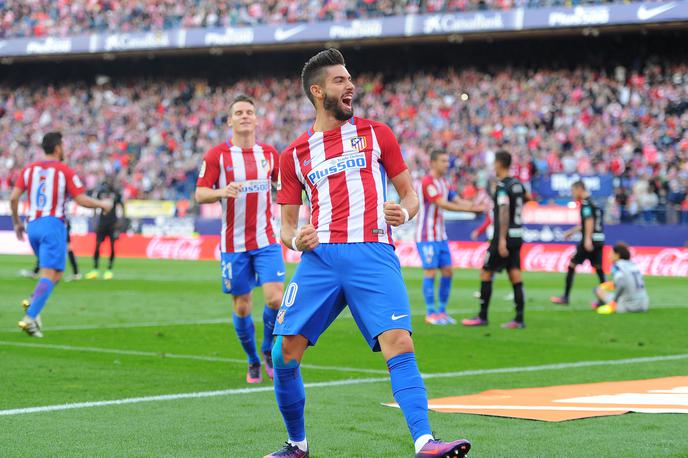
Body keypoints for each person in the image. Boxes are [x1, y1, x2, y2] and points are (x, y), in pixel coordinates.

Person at [266, 49, 471, 458]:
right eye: (341, 81)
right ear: (317, 90)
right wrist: (295, 241)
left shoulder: (378, 133)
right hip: (320, 260)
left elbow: (411, 196)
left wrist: (405, 211)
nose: (351, 86)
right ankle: (297, 444)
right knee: (283, 351)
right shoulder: (294, 155)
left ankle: (426, 442)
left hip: (374, 254)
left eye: (350, 79)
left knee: (400, 343)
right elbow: (286, 226)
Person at [195, 95, 285, 384]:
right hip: (234, 244)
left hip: (267, 239)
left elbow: (284, 190)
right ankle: (252, 360)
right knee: (243, 306)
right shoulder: (216, 156)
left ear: (257, 120)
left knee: (276, 298)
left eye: (249, 112)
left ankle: (269, 350)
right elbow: (200, 193)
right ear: (230, 120)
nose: (245, 116)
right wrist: (222, 192)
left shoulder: (270, 154)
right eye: (239, 113)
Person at [10, 132, 112, 337]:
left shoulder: (29, 170)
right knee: (51, 274)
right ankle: (30, 317)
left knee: (54, 273)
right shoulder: (64, 171)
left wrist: (17, 223)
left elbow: (13, 198)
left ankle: (34, 303)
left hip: (33, 226)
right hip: (52, 224)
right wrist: (102, 204)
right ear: (57, 147)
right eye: (63, 145)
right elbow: (81, 199)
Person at [416, 150, 484, 325]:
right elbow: (442, 204)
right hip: (426, 236)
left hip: (440, 236)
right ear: (433, 163)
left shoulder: (444, 182)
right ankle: (430, 312)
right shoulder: (427, 182)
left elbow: (455, 199)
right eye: (443, 161)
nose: (447, 164)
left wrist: (474, 205)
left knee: (448, 271)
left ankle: (442, 311)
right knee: (430, 271)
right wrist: (470, 210)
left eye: (447, 161)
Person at [462, 151, 526, 329]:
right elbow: (525, 200)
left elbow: (504, 211)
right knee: (514, 274)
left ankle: (482, 316)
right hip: (517, 234)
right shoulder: (518, 185)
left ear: (499, 164)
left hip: (502, 237)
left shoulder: (502, 186)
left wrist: (502, 239)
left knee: (486, 272)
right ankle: (519, 319)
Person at [551, 180, 606, 305]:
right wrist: (571, 232)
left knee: (572, 265)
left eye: (573, 191)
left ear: (580, 189)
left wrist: (587, 239)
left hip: (589, 240)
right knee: (599, 269)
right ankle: (606, 298)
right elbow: (587, 223)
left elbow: (589, 221)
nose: (573, 194)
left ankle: (565, 297)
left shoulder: (585, 204)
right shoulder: (594, 203)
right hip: (599, 239)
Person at [593, 242, 649, 315]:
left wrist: (614, 302)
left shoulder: (617, 266)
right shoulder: (633, 264)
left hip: (629, 306)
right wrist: (612, 284)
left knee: (597, 289)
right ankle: (600, 304)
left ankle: (601, 304)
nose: (609, 255)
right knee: (604, 288)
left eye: (611, 253)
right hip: (644, 305)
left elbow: (622, 284)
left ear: (617, 255)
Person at [85, 178, 124, 280]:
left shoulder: (116, 194)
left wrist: (120, 223)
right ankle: (95, 270)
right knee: (97, 246)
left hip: (113, 224)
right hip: (102, 224)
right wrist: (94, 221)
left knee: (112, 247)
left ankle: (109, 270)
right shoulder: (100, 193)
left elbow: (122, 208)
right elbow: (94, 207)